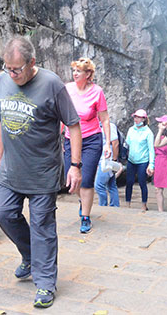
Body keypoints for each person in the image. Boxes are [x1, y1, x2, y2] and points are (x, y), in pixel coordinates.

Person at [0, 36, 82, 309]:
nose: (12, 74)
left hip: (43, 172)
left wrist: (75, 166)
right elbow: (0, 121)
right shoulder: (3, 80)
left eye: (17, 69)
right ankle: (31, 255)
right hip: (11, 169)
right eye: (8, 67)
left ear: (32, 63)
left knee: (43, 228)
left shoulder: (51, 83)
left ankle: (45, 284)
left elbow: (74, 125)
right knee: (3, 214)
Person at [63, 57, 110, 233]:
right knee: (72, 180)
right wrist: (58, 137)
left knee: (87, 179)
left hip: (91, 139)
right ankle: (83, 200)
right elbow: (62, 115)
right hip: (70, 139)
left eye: (79, 71)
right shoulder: (67, 89)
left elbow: (104, 120)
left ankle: (85, 217)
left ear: (88, 74)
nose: (75, 74)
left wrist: (107, 144)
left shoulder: (97, 92)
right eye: (74, 70)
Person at [124, 109, 155, 211]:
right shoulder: (131, 130)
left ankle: (143, 205)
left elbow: (151, 150)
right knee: (129, 182)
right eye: (135, 117)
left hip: (143, 161)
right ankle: (127, 204)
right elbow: (127, 143)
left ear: (144, 119)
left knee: (142, 183)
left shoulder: (148, 132)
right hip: (131, 160)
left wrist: (151, 165)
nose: (136, 119)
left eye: (138, 117)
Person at [94, 121, 122, 207]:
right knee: (111, 185)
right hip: (102, 159)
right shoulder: (96, 125)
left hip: (107, 159)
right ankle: (115, 206)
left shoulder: (110, 126)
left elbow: (115, 143)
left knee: (99, 185)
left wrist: (114, 160)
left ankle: (103, 206)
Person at [153, 115, 167, 211]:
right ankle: (160, 210)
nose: (158, 125)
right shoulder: (159, 135)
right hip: (160, 162)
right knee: (158, 188)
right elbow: (156, 145)